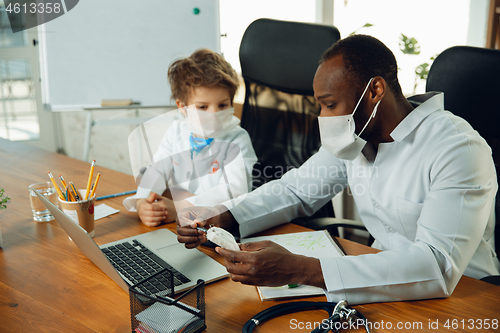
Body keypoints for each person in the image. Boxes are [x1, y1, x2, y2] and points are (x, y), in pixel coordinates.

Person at [176, 35, 500, 304]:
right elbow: (296, 189)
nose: (324, 117)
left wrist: (304, 270)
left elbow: (438, 264)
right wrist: (224, 215)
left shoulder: (457, 148)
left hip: (465, 292)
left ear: (374, 92)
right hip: (378, 282)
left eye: (330, 104)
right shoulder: (357, 137)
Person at [123, 49, 257, 227]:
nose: (214, 114)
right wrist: (142, 203)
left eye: (223, 105)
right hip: (181, 225)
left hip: (220, 225)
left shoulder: (238, 138)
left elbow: (234, 190)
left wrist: (181, 208)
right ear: (182, 106)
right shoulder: (176, 132)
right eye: (202, 107)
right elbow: (157, 171)